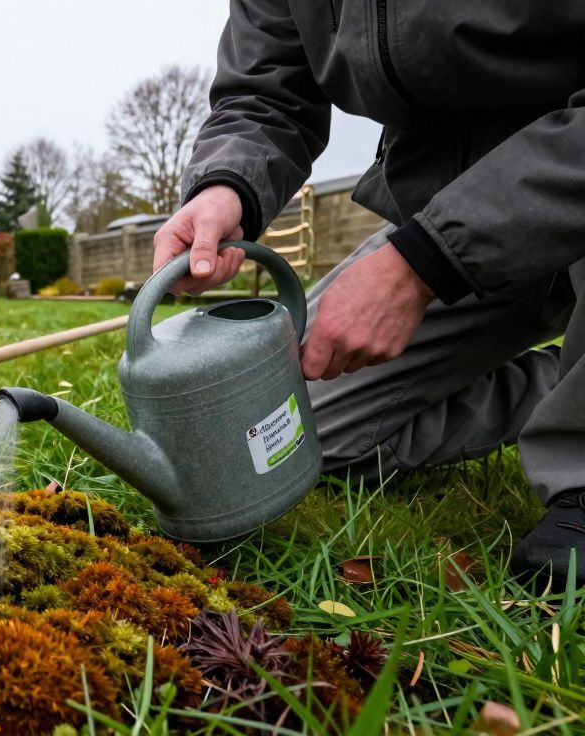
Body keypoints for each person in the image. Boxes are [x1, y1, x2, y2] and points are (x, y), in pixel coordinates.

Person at [154, 2, 585, 586]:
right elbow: (265, 92)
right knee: (297, 430)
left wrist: (422, 264)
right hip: (451, 213)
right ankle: (562, 389)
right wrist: (225, 187)